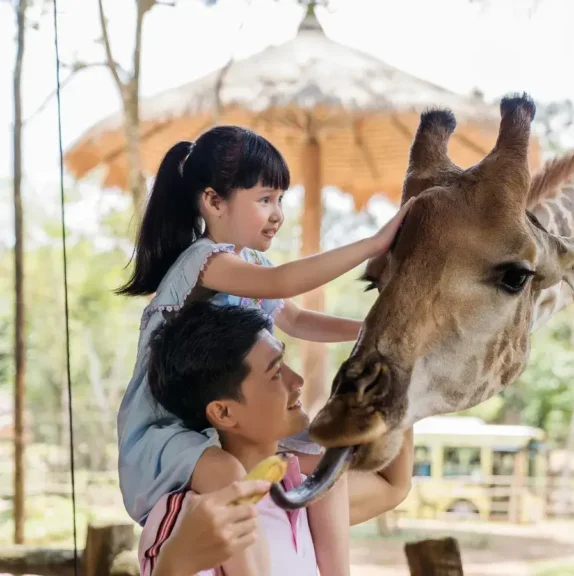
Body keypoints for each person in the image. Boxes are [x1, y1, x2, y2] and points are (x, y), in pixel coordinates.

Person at [114, 125, 415, 528]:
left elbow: (296, 319)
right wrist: (373, 245)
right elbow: (283, 283)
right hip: (176, 428)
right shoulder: (204, 262)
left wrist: (372, 330)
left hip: (236, 420)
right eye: (264, 199)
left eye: (280, 199)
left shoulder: (252, 265)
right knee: (233, 474)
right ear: (213, 201)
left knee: (345, 471)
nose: (277, 214)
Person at [139, 301, 413, 576]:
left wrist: (400, 359)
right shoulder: (193, 523)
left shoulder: (302, 492)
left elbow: (394, 486)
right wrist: (175, 563)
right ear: (223, 412)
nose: (297, 381)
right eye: (276, 373)